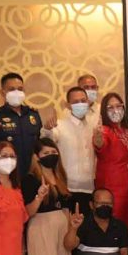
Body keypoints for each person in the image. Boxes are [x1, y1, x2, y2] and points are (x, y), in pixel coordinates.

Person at [41, 86, 97, 215]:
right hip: (67, 188)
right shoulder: (60, 125)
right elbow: (48, 139)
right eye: (75, 102)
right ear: (68, 105)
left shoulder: (93, 128)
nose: (80, 104)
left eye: (83, 100)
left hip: (89, 189)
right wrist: (47, 128)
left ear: (88, 102)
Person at [0, 72, 42, 178]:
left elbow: (40, 147)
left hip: (32, 176)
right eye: (11, 89)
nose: (17, 92)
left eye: (20, 89)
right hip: (7, 177)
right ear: (2, 93)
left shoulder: (33, 114)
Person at [94, 92, 128, 229]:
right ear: (104, 112)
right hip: (112, 187)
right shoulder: (105, 131)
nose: (115, 110)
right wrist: (98, 138)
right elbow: (100, 144)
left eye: (119, 106)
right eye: (110, 107)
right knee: (115, 223)